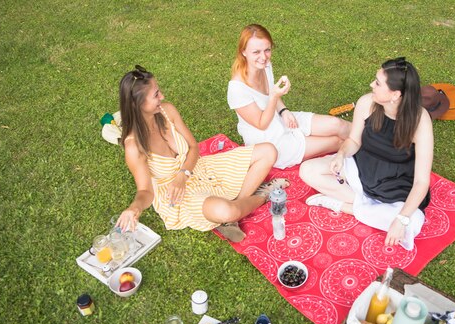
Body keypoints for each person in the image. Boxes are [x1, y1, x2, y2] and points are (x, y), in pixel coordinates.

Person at [115, 65, 288, 243]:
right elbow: (145, 191)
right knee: (227, 211)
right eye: (156, 95)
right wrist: (134, 208)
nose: (163, 97)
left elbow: (193, 147)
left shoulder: (167, 111)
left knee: (268, 151)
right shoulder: (134, 146)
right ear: (138, 104)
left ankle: (234, 210)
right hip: (178, 195)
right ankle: (262, 195)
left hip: (198, 168)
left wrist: (184, 173)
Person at [299, 57, 433, 250]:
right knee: (308, 170)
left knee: (412, 223)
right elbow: (353, 141)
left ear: (395, 95)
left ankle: (345, 206)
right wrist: (340, 154)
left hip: (395, 187)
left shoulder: (420, 121)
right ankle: (369, 207)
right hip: (361, 170)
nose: (372, 84)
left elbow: (421, 181)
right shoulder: (366, 103)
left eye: (378, 83)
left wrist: (402, 219)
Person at [227, 24, 351, 169]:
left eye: (267, 50)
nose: (263, 57)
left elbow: (271, 93)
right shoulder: (237, 89)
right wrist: (274, 97)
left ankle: (377, 138)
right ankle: (371, 151)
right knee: (337, 142)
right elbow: (262, 124)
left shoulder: (265, 65)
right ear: (243, 52)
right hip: (270, 141)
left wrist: (284, 111)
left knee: (338, 125)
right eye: (256, 52)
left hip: (280, 119)